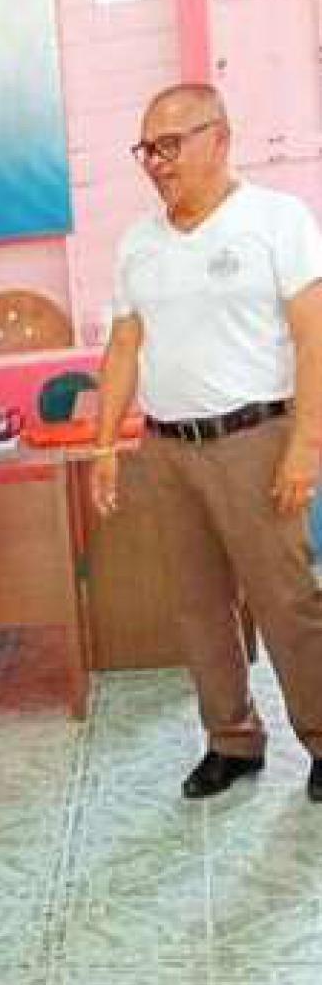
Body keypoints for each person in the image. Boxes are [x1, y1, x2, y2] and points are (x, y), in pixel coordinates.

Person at [92, 82, 322, 800]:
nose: (157, 162)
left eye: (171, 144)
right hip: (167, 448)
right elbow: (124, 347)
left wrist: (306, 444)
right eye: (147, 149)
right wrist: (105, 445)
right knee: (198, 606)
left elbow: (314, 336)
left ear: (219, 139)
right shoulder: (139, 243)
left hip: (256, 440)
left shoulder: (276, 220)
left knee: (286, 600)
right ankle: (231, 740)